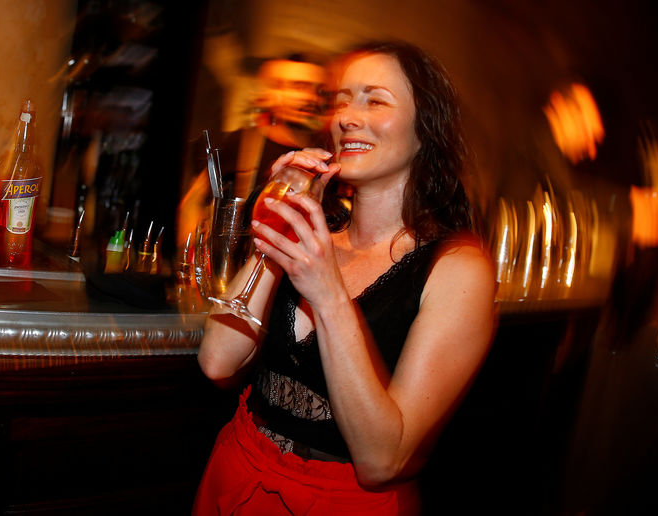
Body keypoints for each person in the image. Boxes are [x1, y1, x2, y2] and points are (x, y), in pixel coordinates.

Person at [192, 40, 497, 515]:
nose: (347, 117)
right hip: (239, 472)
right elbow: (217, 361)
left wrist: (328, 292)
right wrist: (286, 215)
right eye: (341, 100)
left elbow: (383, 460)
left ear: (425, 129)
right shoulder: (317, 235)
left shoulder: (458, 269)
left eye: (374, 100)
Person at [176, 55, 327, 247]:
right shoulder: (238, 143)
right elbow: (193, 204)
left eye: (318, 90)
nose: (309, 97)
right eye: (298, 87)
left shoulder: (325, 155)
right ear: (269, 93)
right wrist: (190, 258)